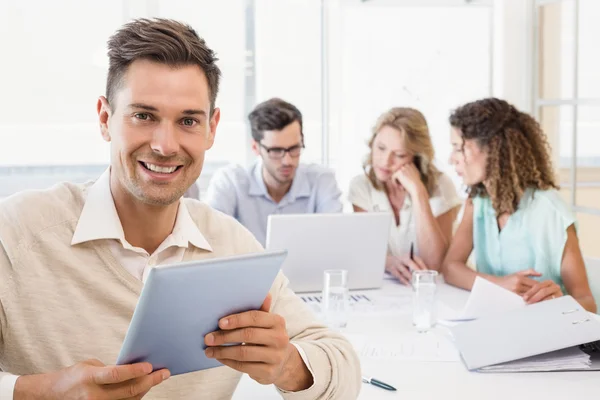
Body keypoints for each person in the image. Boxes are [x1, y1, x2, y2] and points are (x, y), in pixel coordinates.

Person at [0, 18, 360, 399]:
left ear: (211, 129)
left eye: (188, 120)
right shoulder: (18, 233)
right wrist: (33, 392)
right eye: (144, 116)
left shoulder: (231, 246)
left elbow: (343, 367)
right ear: (105, 119)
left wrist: (287, 364)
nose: (166, 145)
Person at [443, 98, 596, 313]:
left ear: (493, 148)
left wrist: (557, 303)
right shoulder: (478, 203)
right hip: (499, 324)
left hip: (548, 331)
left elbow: (587, 302)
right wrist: (499, 285)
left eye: (459, 148)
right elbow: (450, 267)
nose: (452, 159)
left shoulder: (551, 212)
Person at [204, 98, 343, 246]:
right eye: (276, 151)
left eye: (294, 148)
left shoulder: (321, 180)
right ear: (256, 148)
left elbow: (335, 241)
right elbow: (212, 241)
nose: (287, 161)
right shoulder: (230, 181)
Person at [348, 108, 461, 285]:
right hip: (387, 290)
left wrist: (418, 192)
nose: (385, 161)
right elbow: (366, 253)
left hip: (434, 290)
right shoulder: (362, 187)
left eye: (399, 155)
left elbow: (435, 265)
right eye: (381, 148)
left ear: (416, 157)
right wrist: (388, 262)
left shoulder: (441, 186)